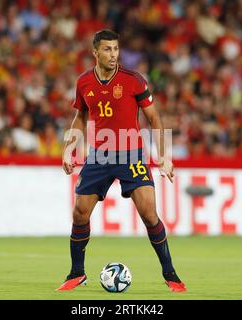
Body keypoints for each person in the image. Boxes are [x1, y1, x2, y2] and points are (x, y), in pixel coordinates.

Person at [57, 29, 186, 293]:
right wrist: (69, 148)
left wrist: (164, 156)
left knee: (149, 214)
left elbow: (155, 119)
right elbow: (80, 118)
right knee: (80, 211)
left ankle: (170, 274)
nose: (113, 54)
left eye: (116, 49)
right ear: (95, 53)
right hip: (99, 155)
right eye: (107, 49)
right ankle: (76, 273)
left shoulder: (133, 81)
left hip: (131, 155)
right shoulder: (84, 83)